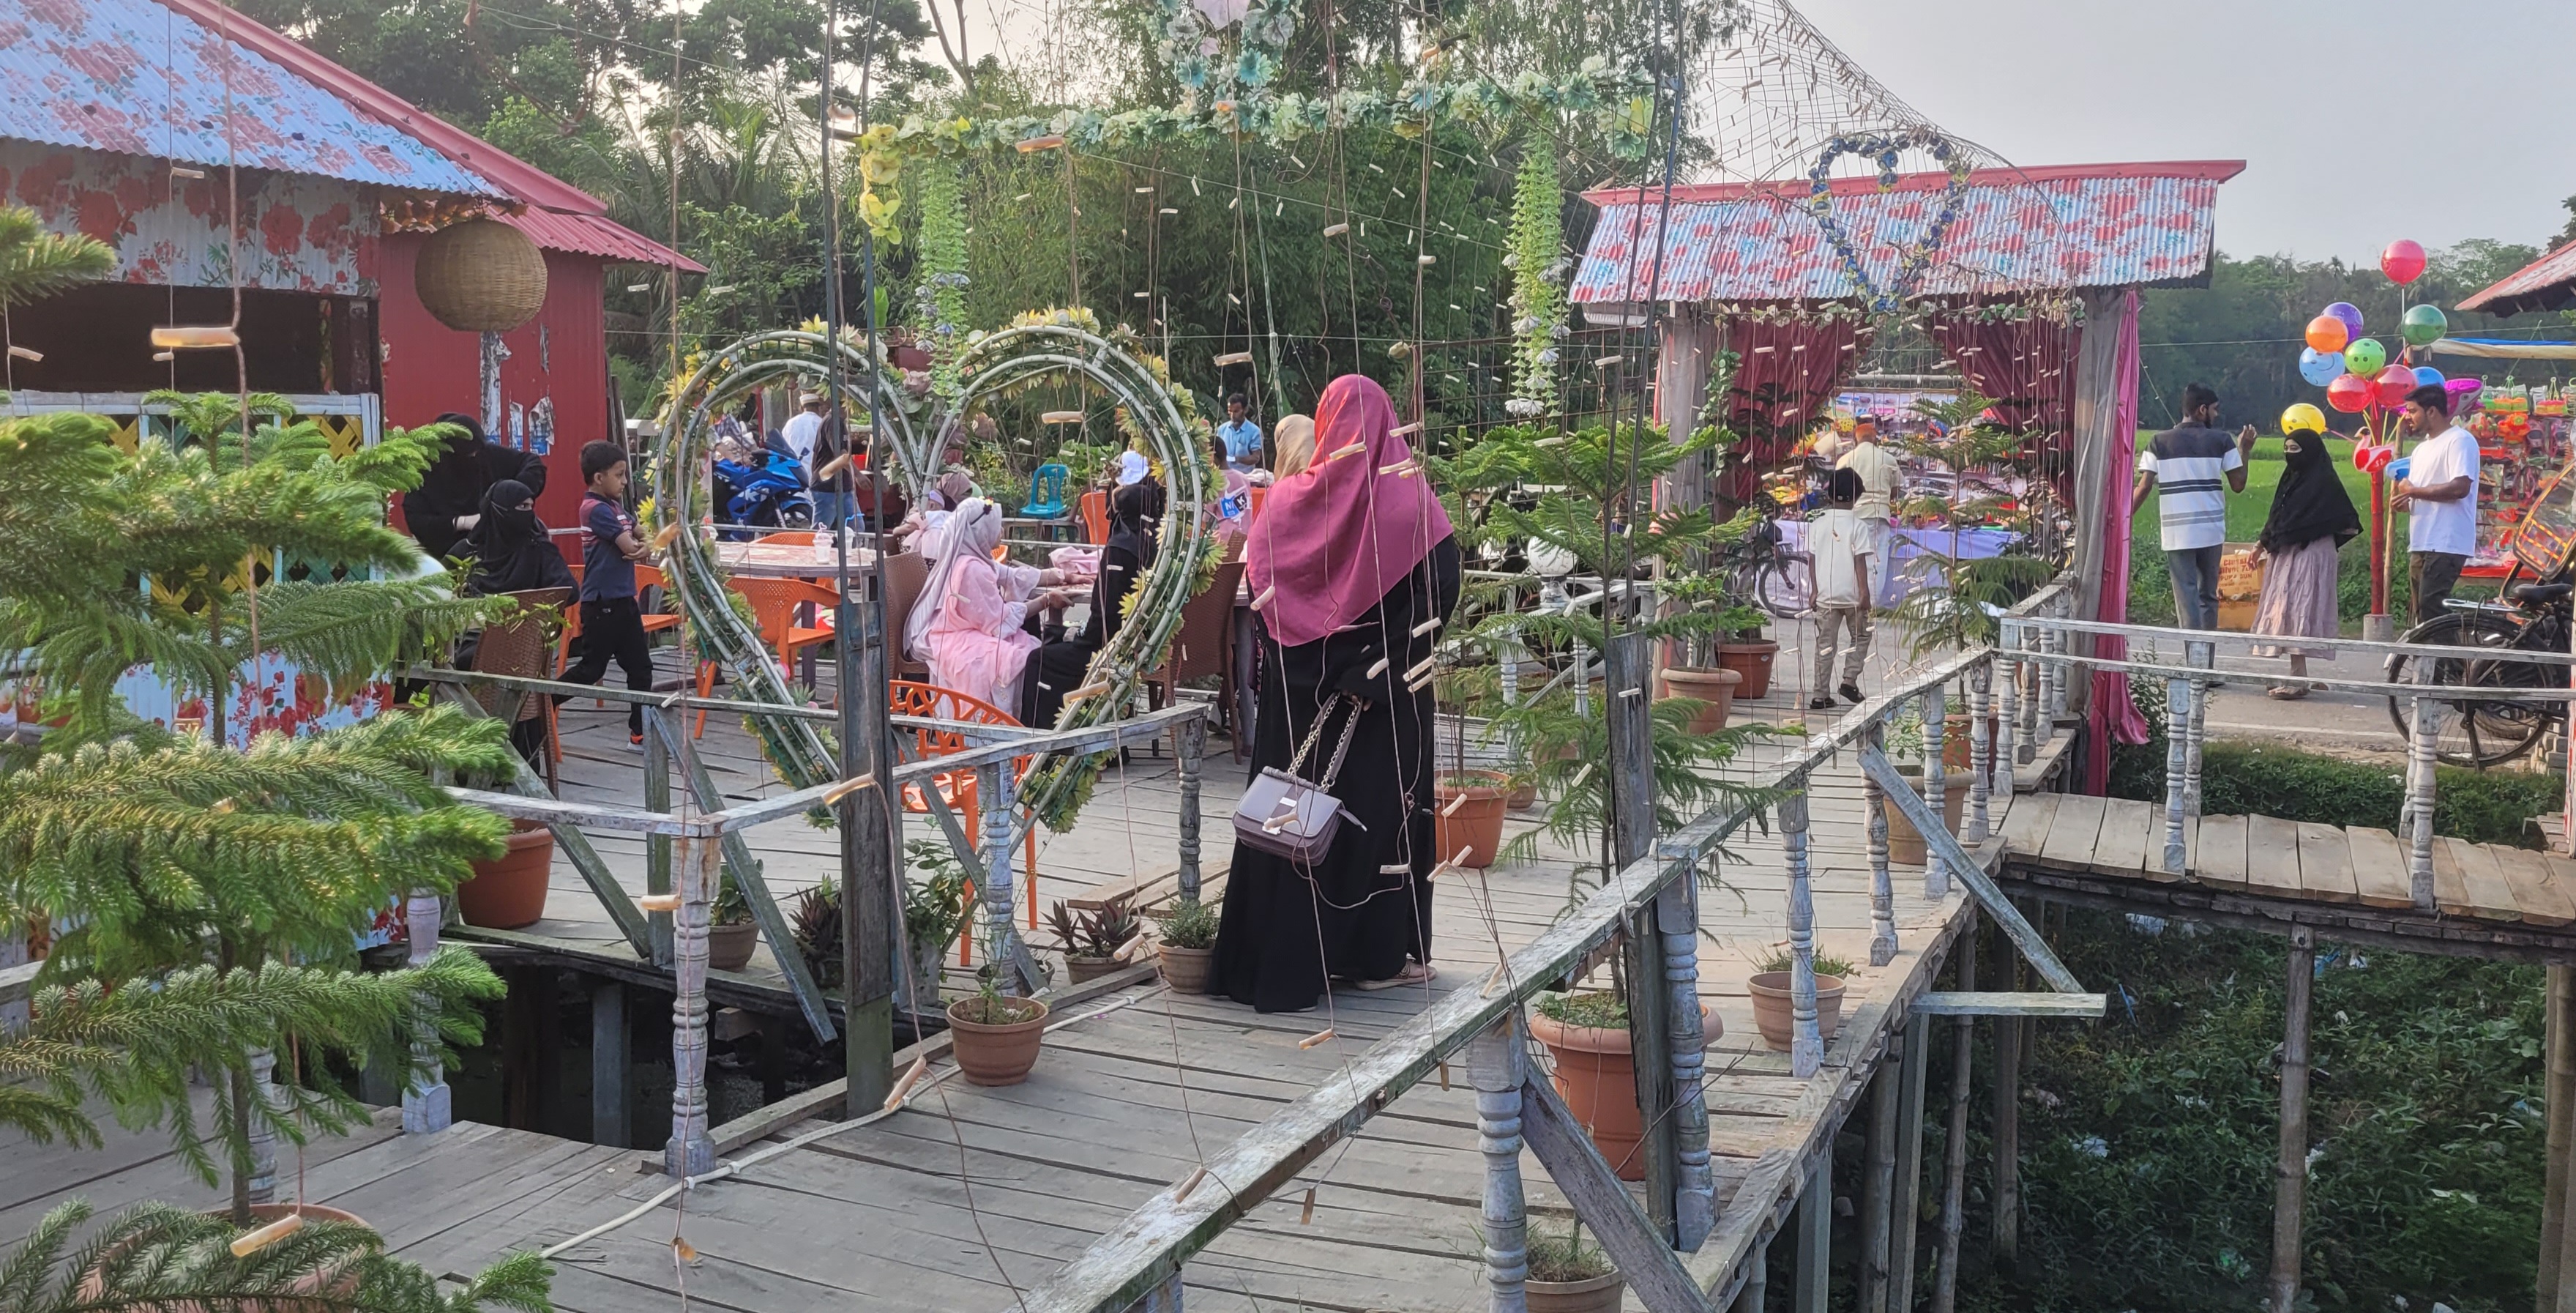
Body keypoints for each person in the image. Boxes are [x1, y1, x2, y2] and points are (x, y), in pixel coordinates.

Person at [1212, 374, 1461, 1013]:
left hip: (1299, 705)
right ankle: (1376, 957)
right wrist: (1373, 666)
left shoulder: (1286, 504)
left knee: (1290, 817)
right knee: (1378, 820)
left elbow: (1262, 590)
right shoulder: (1409, 503)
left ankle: (1274, 954)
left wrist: (1311, 659)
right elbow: (1440, 589)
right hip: (1381, 704)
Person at [908, 497, 1072, 711]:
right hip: (956, 638)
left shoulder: (971, 558)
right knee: (1018, 659)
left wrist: (1062, 575)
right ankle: (1012, 718)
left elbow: (1014, 576)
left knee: (1028, 648)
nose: (1001, 531)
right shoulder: (972, 569)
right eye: (996, 526)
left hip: (962, 631)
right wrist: (1046, 601)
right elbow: (998, 624)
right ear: (982, 532)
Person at [1021, 479, 1161, 728]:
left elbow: (1107, 616)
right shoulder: (1153, 546)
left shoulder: (1120, 549)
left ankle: (1043, 734)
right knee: (1055, 636)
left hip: (1109, 648)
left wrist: (1078, 636)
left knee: (1038, 659)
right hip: (1135, 642)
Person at [2249, 423, 2361, 699]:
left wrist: (2317, 530)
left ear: (2309, 452)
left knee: (2300, 608)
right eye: (2286, 449)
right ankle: (2299, 673)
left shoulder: (2324, 484)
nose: (2290, 455)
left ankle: (2298, 678)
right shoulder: (2290, 481)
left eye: (2295, 449)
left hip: (2310, 555)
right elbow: (2278, 517)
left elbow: (2346, 521)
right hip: (2288, 554)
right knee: (2287, 609)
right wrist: (2260, 545)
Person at [558, 441, 657, 746]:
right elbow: (632, 547)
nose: (625, 481)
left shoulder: (615, 507)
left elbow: (644, 537)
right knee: (591, 669)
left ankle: (640, 734)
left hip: (624, 600)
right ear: (599, 478)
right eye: (619, 474)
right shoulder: (595, 509)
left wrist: (646, 544)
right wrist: (644, 546)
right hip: (602, 603)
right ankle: (541, 702)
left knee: (641, 668)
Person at [2133, 383, 2256, 629]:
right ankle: (2206, 652)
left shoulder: (2158, 442)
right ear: (2202, 410)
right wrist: (2244, 450)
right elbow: (2238, 484)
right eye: (2214, 409)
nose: (2216, 414)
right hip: (2211, 531)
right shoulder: (2222, 440)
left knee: (2186, 597)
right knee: (2208, 595)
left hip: (2177, 533)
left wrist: (2124, 517)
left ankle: (2193, 651)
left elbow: (2144, 486)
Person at [403, 414, 547, 564]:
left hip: (502, 555)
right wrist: (462, 522)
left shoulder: (485, 454)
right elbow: (418, 520)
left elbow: (532, 464)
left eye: (477, 452)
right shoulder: (425, 472)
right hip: (446, 561)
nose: (475, 456)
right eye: (470, 454)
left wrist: (515, 494)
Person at [2395, 383, 2480, 624]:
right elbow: (2424, 494)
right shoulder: (2421, 450)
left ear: (2432, 411)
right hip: (2422, 540)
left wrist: (2413, 491)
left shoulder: (2459, 440)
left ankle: (2449, 651)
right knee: (2422, 615)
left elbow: (2459, 488)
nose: (2408, 417)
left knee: (2432, 609)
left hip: (2446, 541)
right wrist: (2406, 502)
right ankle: (2435, 650)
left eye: (2413, 411)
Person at [1805, 468, 1875, 710]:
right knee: (1862, 636)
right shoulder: (1859, 526)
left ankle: (1819, 695)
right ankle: (1849, 680)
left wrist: (1814, 591)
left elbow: (1812, 560)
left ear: (1829, 495)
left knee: (1825, 645)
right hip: (1854, 596)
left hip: (1826, 596)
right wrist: (1865, 593)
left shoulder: (1818, 524)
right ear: (1857, 497)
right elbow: (1859, 561)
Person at [455, 479, 574, 598]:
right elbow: (444, 590)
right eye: (523, 506)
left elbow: (568, 590)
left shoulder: (540, 549)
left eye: (531, 506)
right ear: (498, 510)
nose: (530, 513)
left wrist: (529, 602)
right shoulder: (468, 552)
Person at [1834, 417, 1901, 560]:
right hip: (1881, 515)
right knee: (1879, 560)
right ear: (1875, 440)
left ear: (1855, 440)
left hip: (1855, 515)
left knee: (1856, 560)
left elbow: (1838, 493)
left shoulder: (1845, 460)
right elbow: (1895, 491)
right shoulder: (1889, 459)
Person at [1216, 393, 1265, 477]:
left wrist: (1237, 459)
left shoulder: (1255, 431)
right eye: (1230, 411)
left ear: (1245, 410)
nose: (1232, 416)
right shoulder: (1222, 429)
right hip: (1223, 476)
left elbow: (1255, 457)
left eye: (1236, 412)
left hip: (1245, 477)